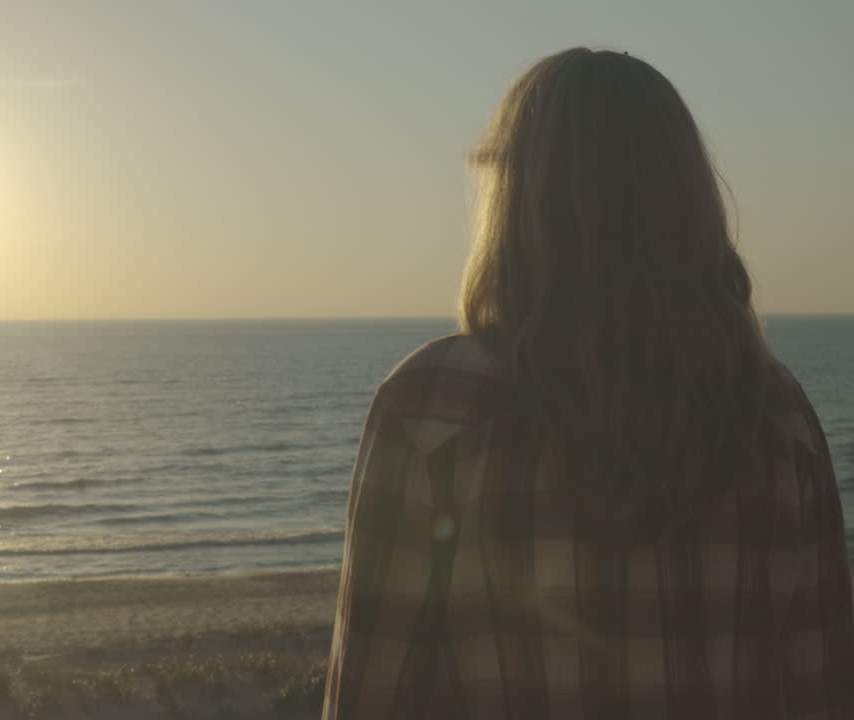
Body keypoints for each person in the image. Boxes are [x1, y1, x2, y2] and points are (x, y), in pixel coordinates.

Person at [323, 47, 854, 719]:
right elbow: (825, 691)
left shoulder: (434, 407)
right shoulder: (775, 415)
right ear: (687, 201)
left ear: (516, 202)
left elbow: (371, 694)